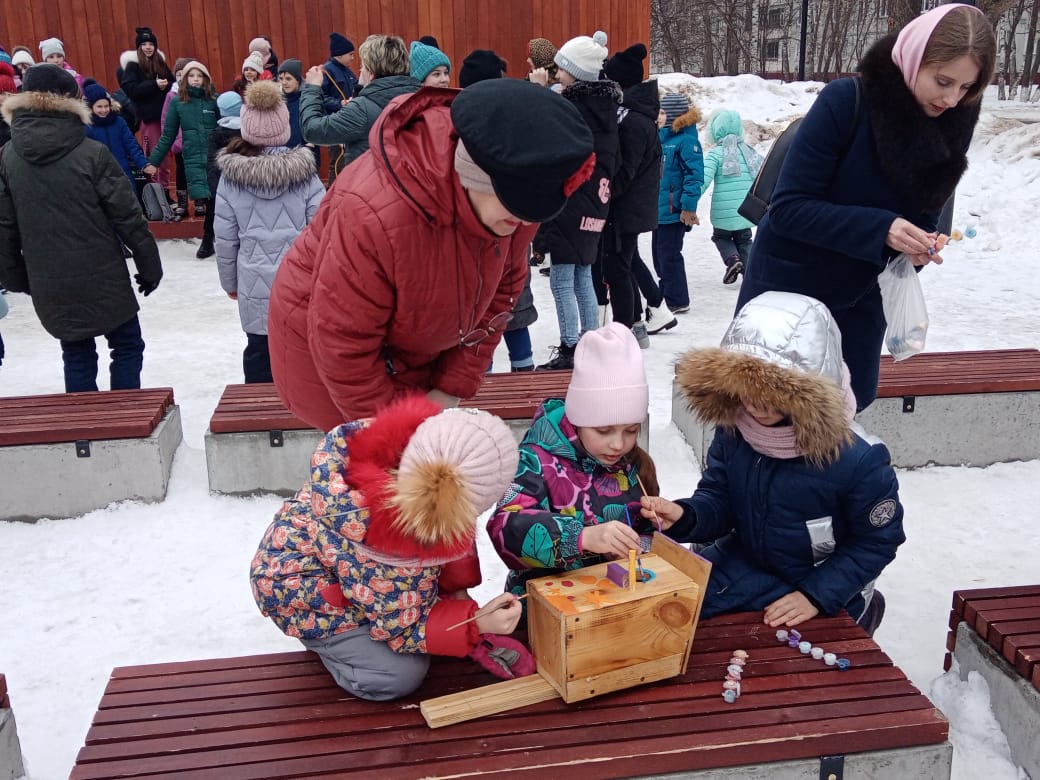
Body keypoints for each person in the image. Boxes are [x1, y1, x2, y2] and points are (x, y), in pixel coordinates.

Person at [268, 78, 595, 431]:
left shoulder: (515, 202)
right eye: (516, 207)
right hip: (326, 359)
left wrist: (449, 388)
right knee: (372, 470)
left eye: (533, 213)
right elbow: (343, 344)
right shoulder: (374, 211)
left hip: (414, 347)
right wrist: (396, 432)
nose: (523, 221)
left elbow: (501, 295)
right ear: (476, 175)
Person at [736, 4, 996, 412]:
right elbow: (788, 209)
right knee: (764, 419)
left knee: (840, 421)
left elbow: (923, 214)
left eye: (966, 88)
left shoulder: (954, 119)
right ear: (913, 59)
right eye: (943, 81)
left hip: (860, 302)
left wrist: (919, 245)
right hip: (789, 292)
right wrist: (882, 229)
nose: (951, 98)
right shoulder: (847, 101)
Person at [642, 291, 904, 636]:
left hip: (820, 576)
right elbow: (720, 498)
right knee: (672, 616)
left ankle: (863, 609)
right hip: (748, 561)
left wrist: (817, 595)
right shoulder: (735, 429)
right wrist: (686, 516)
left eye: (774, 396)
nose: (755, 407)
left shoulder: (857, 458)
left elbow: (876, 541)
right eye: (746, 390)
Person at [250, 396, 534, 700]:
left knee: (411, 593)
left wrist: (462, 607)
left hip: (355, 570)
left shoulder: (408, 458)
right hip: (299, 594)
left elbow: (444, 551)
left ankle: (368, 608)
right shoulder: (390, 547)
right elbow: (402, 629)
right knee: (399, 674)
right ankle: (331, 642)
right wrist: (474, 624)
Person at [0, 64, 162, 392]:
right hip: (103, 273)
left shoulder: (7, 156)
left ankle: (84, 435)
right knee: (127, 345)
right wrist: (150, 269)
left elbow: (5, 225)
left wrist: (16, 277)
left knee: (76, 351)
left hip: (48, 278)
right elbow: (128, 217)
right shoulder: (92, 154)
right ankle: (125, 421)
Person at [488, 323, 664, 601]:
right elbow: (504, 528)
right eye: (603, 431)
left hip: (613, 600)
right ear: (579, 418)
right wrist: (582, 538)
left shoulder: (632, 465)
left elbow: (644, 531)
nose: (618, 444)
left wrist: (640, 543)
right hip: (546, 605)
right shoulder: (535, 459)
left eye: (631, 430)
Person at [214, 80, 325, 384]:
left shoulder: (231, 178)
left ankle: (259, 416)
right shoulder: (306, 176)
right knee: (301, 354)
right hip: (300, 283)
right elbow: (323, 233)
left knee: (259, 351)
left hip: (253, 281)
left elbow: (225, 238)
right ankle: (301, 419)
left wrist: (230, 283)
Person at [534, 31, 621, 371]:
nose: (556, 74)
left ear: (576, 72)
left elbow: (547, 134)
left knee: (561, 280)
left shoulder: (572, 106)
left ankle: (572, 347)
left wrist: (541, 92)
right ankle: (590, 342)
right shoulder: (604, 105)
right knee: (583, 275)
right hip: (595, 201)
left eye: (561, 69)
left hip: (572, 198)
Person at [599, 43, 675, 344]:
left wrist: (605, 193)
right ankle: (637, 327)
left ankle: (625, 333)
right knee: (624, 264)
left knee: (617, 268)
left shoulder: (632, 120)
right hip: (631, 206)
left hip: (626, 208)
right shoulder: (634, 114)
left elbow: (626, 169)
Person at [301, 35, 418, 175]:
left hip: (372, 190)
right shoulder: (420, 99)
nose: (360, 70)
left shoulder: (362, 109)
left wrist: (312, 88)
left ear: (371, 74)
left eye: (363, 66)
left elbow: (312, 130)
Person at [147, 61, 218, 259]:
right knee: (206, 198)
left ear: (205, 78)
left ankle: (208, 238)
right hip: (193, 157)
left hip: (216, 158)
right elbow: (168, 134)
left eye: (199, 75)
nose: (196, 79)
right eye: (191, 75)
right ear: (185, 79)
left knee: (217, 199)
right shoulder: (178, 102)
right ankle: (209, 238)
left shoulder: (214, 100)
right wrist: (153, 161)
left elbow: (226, 128)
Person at [654, 91, 703, 315]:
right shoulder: (663, 138)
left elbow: (694, 176)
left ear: (673, 115)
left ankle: (677, 299)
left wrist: (688, 207)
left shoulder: (686, 141)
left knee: (669, 255)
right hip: (659, 210)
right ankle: (665, 291)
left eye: (663, 112)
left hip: (675, 210)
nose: (659, 116)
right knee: (658, 255)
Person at [701, 109, 762, 285]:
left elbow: (703, 179)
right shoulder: (749, 152)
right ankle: (751, 276)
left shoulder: (715, 153)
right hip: (745, 209)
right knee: (745, 240)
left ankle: (733, 260)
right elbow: (763, 173)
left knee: (721, 237)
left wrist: (690, 200)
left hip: (724, 213)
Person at [118, 28, 173, 191]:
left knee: (167, 157)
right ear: (139, 47)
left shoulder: (160, 63)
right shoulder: (133, 67)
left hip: (166, 116)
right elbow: (130, 89)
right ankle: (159, 192)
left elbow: (172, 83)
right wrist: (154, 85)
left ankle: (165, 190)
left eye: (151, 44)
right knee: (155, 156)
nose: (148, 47)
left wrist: (165, 85)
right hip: (150, 118)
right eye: (144, 44)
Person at [82, 79, 157, 191]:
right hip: (99, 175)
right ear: (91, 107)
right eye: (99, 107)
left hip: (123, 172)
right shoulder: (87, 127)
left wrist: (144, 164)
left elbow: (131, 145)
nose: (104, 110)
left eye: (106, 106)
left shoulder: (118, 122)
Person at [319, 32, 358, 183]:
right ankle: (332, 192)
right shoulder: (327, 71)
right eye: (350, 54)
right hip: (334, 123)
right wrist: (340, 104)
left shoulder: (348, 71)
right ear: (340, 55)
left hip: (349, 121)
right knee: (337, 161)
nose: (353, 58)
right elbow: (320, 97)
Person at [160, 57, 193, 217]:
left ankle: (199, 201)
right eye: (178, 74)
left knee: (197, 171)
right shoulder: (171, 95)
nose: (181, 77)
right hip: (179, 142)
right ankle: (182, 203)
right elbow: (166, 119)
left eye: (184, 73)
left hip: (195, 140)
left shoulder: (197, 93)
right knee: (181, 172)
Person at [276, 59, 320, 169]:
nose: (284, 82)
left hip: (306, 156)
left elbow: (317, 123)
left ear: (298, 80)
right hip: (283, 158)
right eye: (281, 79)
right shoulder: (277, 101)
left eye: (288, 79)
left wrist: (310, 146)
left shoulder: (308, 99)